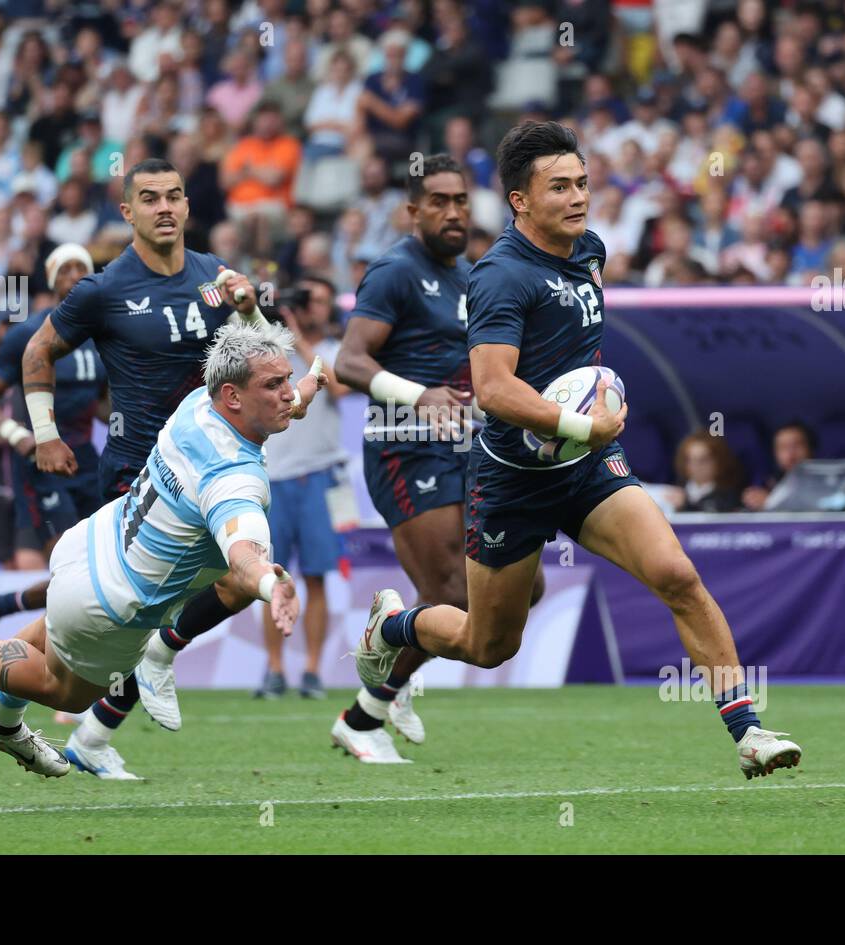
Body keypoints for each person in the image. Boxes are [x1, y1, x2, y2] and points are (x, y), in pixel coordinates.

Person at [352, 121, 802, 779]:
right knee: (488, 643)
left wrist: (590, 410)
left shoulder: (590, 250)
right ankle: (394, 626)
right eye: (558, 186)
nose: (578, 197)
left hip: (586, 465)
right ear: (520, 200)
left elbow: (569, 353)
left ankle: (748, 730)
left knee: (675, 573)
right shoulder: (501, 275)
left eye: (583, 182)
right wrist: (579, 420)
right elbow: (492, 386)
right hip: (512, 477)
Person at [0, 323, 306, 779]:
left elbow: (278, 408)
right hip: (111, 603)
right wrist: (271, 583)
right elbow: (244, 552)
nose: (289, 394)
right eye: (275, 385)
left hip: (91, 542)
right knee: (66, 691)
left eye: (288, 380)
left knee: (50, 634)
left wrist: (307, 387)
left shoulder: (199, 405)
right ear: (233, 396)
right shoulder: (234, 480)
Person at [21, 157, 319, 777]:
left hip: (213, 469)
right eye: (149, 198)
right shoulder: (104, 290)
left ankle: (93, 726)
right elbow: (38, 349)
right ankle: (34, 689)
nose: (164, 207)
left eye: (175, 196)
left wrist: (251, 309)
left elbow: (269, 358)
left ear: (188, 207)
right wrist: (44, 433)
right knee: (124, 626)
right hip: (141, 474)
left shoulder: (217, 278)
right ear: (127, 212)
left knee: (225, 587)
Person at [330, 153, 543, 763]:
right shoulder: (393, 271)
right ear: (413, 210)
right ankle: (372, 699)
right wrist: (417, 394)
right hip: (403, 445)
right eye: (440, 201)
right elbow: (349, 362)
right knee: (450, 591)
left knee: (523, 587)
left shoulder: (473, 275)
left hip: (469, 446)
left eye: (461, 201)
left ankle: (370, 704)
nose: (453, 212)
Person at [0, 244, 106, 637]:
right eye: (66, 268)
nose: (75, 273)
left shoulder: (103, 336)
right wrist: (19, 437)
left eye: (83, 266)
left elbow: (103, 406)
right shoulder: (28, 333)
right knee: (71, 570)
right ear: (51, 278)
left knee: (100, 569)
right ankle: (41, 665)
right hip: (42, 466)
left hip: (88, 462)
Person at [254, 274, 352, 699]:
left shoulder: (332, 351)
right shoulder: (270, 356)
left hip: (321, 477)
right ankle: (274, 669)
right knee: (270, 580)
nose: (313, 308)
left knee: (316, 578)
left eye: (320, 301)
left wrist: (297, 336)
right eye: (305, 300)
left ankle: (312, 671)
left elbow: (341, 387)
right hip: (273, 479)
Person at [741, 421, 815, 511]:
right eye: (783, 447)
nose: (790, 455)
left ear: (811, 449)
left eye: (797, 445)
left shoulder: (826, 481)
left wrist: (770, 502)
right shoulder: (771, 482)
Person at [664, 431, 745, 513]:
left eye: (703, 460)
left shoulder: (729, 496)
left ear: (719, 461)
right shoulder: (675, 490)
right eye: (690, 460)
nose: (696, 466)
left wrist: (685, 505)